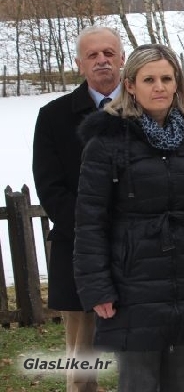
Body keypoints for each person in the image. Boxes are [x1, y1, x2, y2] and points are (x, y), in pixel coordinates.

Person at [73, 44, 184, 392]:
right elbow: (90, 223)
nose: (158, 87)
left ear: (177, 84)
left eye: (166, 78)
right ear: (130, 85)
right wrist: (97, 287)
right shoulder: (107, 143)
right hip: (134, 281)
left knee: (183, 381)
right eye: (149, 79)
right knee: (139, 381)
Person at [32, 25, 125, 392]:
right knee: (83, 363)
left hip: (142, 251)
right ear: (80, 64)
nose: (101, 60)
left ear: (121, 58)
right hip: (78, 250)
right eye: (92, 55)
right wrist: (95, 230)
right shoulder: (54, 116)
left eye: (108, 53)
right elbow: (51, 189)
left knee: (146, 355)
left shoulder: (145, 107)